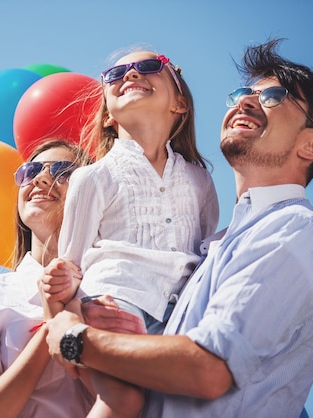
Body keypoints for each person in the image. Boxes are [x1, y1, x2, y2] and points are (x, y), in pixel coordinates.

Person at [43, 38, 313, 418]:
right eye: (241, 93)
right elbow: (69, 268)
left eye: (273, 95)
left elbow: (207, 369)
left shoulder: (293, 232)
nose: (245, 101)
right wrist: (113, 332)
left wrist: (76, 339)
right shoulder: (214, 249)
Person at [39, 48, 219, 418]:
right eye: (116, 74)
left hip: (182, 316)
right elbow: (72, 264)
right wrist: (69, 302)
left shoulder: (201, 180)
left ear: (180, 104)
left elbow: (203, 253)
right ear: (107, 115)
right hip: (114, 302)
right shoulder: (92, 176)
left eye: (149, 67)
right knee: (124, 401)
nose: (132, 75)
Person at [0, 140, 97, 418]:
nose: (41, 178)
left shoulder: (114, 290)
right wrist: (55, 325)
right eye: (30, 170)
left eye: (64, 171)